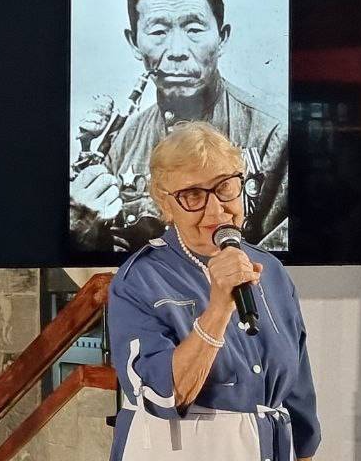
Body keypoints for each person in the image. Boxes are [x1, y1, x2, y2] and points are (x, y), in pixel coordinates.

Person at [106, 122, 320, 461]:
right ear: (165, 204)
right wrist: (219, 307)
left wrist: (306, 450)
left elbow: (298, 392)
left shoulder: (271, 269)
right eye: (193, 195)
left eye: (225, 187)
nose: (216, 209)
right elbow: (162, 396)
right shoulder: (139, 280)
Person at [71, 0, 288, 253]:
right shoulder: (123, 142)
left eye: (194, 29)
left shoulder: (273, 136)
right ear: (134, 43)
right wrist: (84, 232)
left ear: (222, 37)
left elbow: (273, 266)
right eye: (158, 31)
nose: (177, 51)